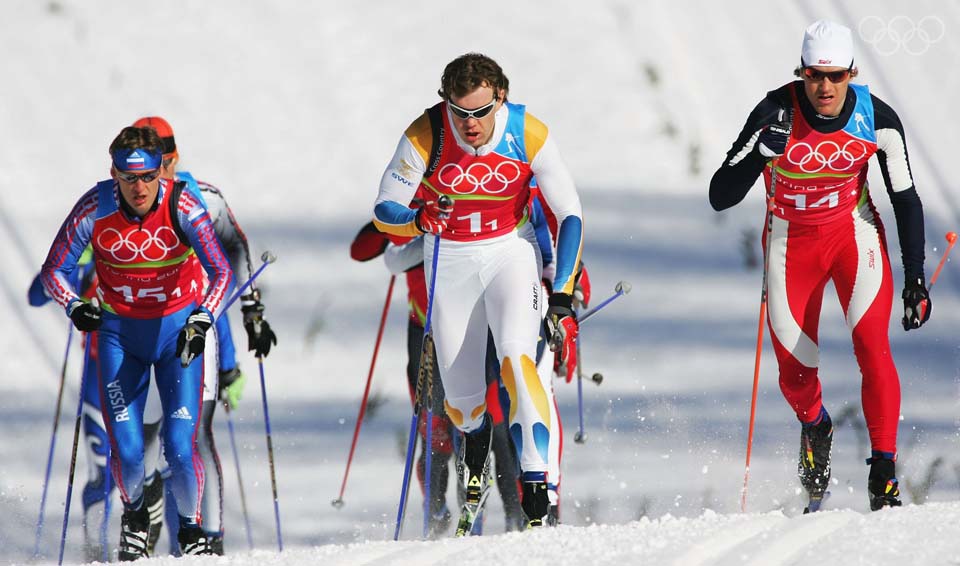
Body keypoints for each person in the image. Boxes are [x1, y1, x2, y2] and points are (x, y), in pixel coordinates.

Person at [709, 20, 928, 512]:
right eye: (813, 76)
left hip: (853, 232)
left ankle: (885, 471)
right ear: (801, 73)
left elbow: (907, 199)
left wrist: (915, 278)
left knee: (872, 347)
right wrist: (761, 155)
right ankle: (815, 426)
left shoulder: (878, 118)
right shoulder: (774, 111)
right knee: (795, 374)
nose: (824, 87)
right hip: (791, 243)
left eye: (834, 76)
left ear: (851, 73)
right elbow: (719, 194)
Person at [371, 52, 584, 531]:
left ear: (499, 97)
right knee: (463, 405)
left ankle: (535, 484)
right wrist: (416, 219)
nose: (470, 125)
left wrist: (565, 295)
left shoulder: (528, 132)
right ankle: (476, 458)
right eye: (460, 112)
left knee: (515, 356)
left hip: (510, 250)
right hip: (451, 261)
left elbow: (569, 212)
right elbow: (385, 208)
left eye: (480, 112)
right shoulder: (427, 133)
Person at [40, 125, 233, 558]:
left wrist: (203, 318)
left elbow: (222, 272)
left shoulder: (182, 203)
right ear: (114, 174)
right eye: (129, 179)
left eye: (148, 177)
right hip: (119, 338)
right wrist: (74, 305)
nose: (139, 188)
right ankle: (136, 518)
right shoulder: (95, 206)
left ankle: (191, 531)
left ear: (160, 173)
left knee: (180, 448)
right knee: (127, 452)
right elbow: (53, 271)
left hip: (175, 338)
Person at [132, 116, 277, 555]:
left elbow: (236, 248)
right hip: (140, 331)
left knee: (194, 435)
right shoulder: (124, 198)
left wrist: (252, 311)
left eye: (167, 162)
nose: (162, 174)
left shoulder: (203, 198)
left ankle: (205, 543)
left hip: (195, 330)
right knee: (142, 439)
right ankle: (147, 517)